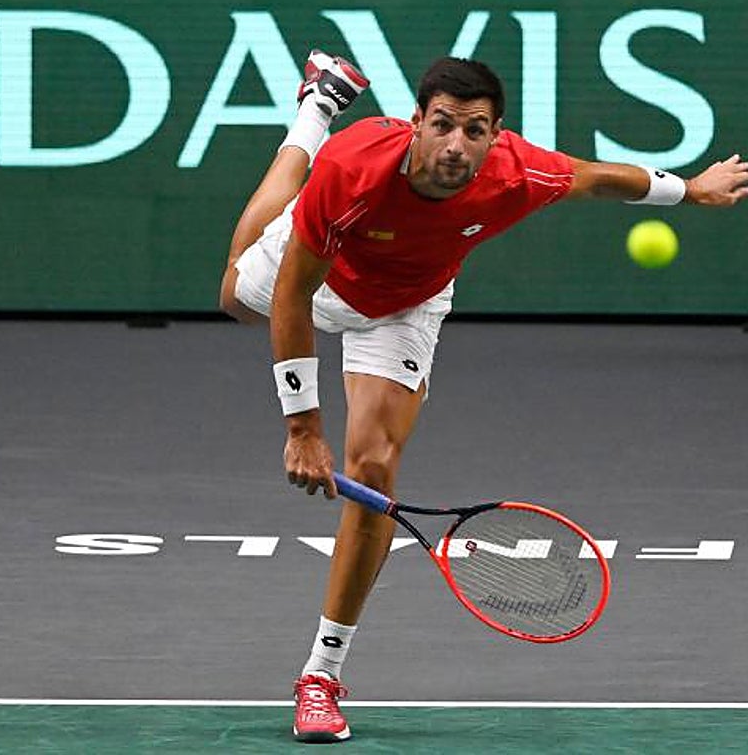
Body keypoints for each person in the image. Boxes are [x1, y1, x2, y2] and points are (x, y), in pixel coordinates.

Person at [219, 51, 748, 744]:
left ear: (495, 136)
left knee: (374, 471)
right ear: (416, 123)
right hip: (320, 276)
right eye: (443, 125)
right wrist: (303, 428)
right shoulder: (355, 172)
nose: (456, 146)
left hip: (404, 306)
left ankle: (321, 674)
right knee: (234, 292)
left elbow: (601, 180)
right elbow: (291, 292)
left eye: (474, 131)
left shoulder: (515, 172)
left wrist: (693, 191)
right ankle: (316, 109)